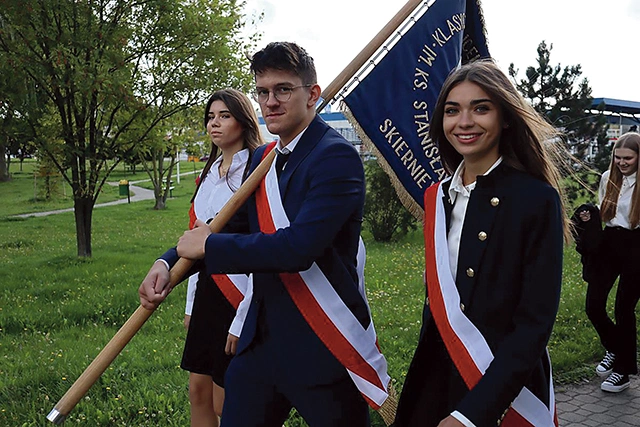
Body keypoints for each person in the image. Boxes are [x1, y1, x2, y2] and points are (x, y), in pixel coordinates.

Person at [139, 41, 389, 427]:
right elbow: (228, 225)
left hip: (321, 343)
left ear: (313, 95)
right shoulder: (263, 159)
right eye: (262, 91)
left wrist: (208, 246)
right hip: (260, 346)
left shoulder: (335, 157)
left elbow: (298, 248)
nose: (270, 101)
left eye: (283, 89)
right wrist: (167, 263)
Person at [394, 60, 567, 427]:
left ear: (505, 118)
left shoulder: (536, 200)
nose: (465, 122)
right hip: (434, 378)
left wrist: (471, 415)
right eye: (452, 110)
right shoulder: (436, 198)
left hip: (504, 388)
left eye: (481, 108)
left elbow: (534, 325)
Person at [168, 89, 262, 426]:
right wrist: (191, 306)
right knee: (198, 390)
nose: (215, 124)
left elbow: (260, 246)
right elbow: (196, 246)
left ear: (244, 120)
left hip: (242, 295)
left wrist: (242, 319)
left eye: (224, 116)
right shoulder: (208, 174)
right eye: (211, 117)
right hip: (208, 290)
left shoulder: (257, 172)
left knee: (226, 400)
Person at [585, 132, 640, 393]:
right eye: (617, 157)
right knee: (593, 305)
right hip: (609, 242)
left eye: (627, 158)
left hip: (637, 245)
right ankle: (617, 349)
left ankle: (623, 371)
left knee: (623, 309)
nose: (622, 162)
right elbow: (603, 211)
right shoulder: (609, 178)